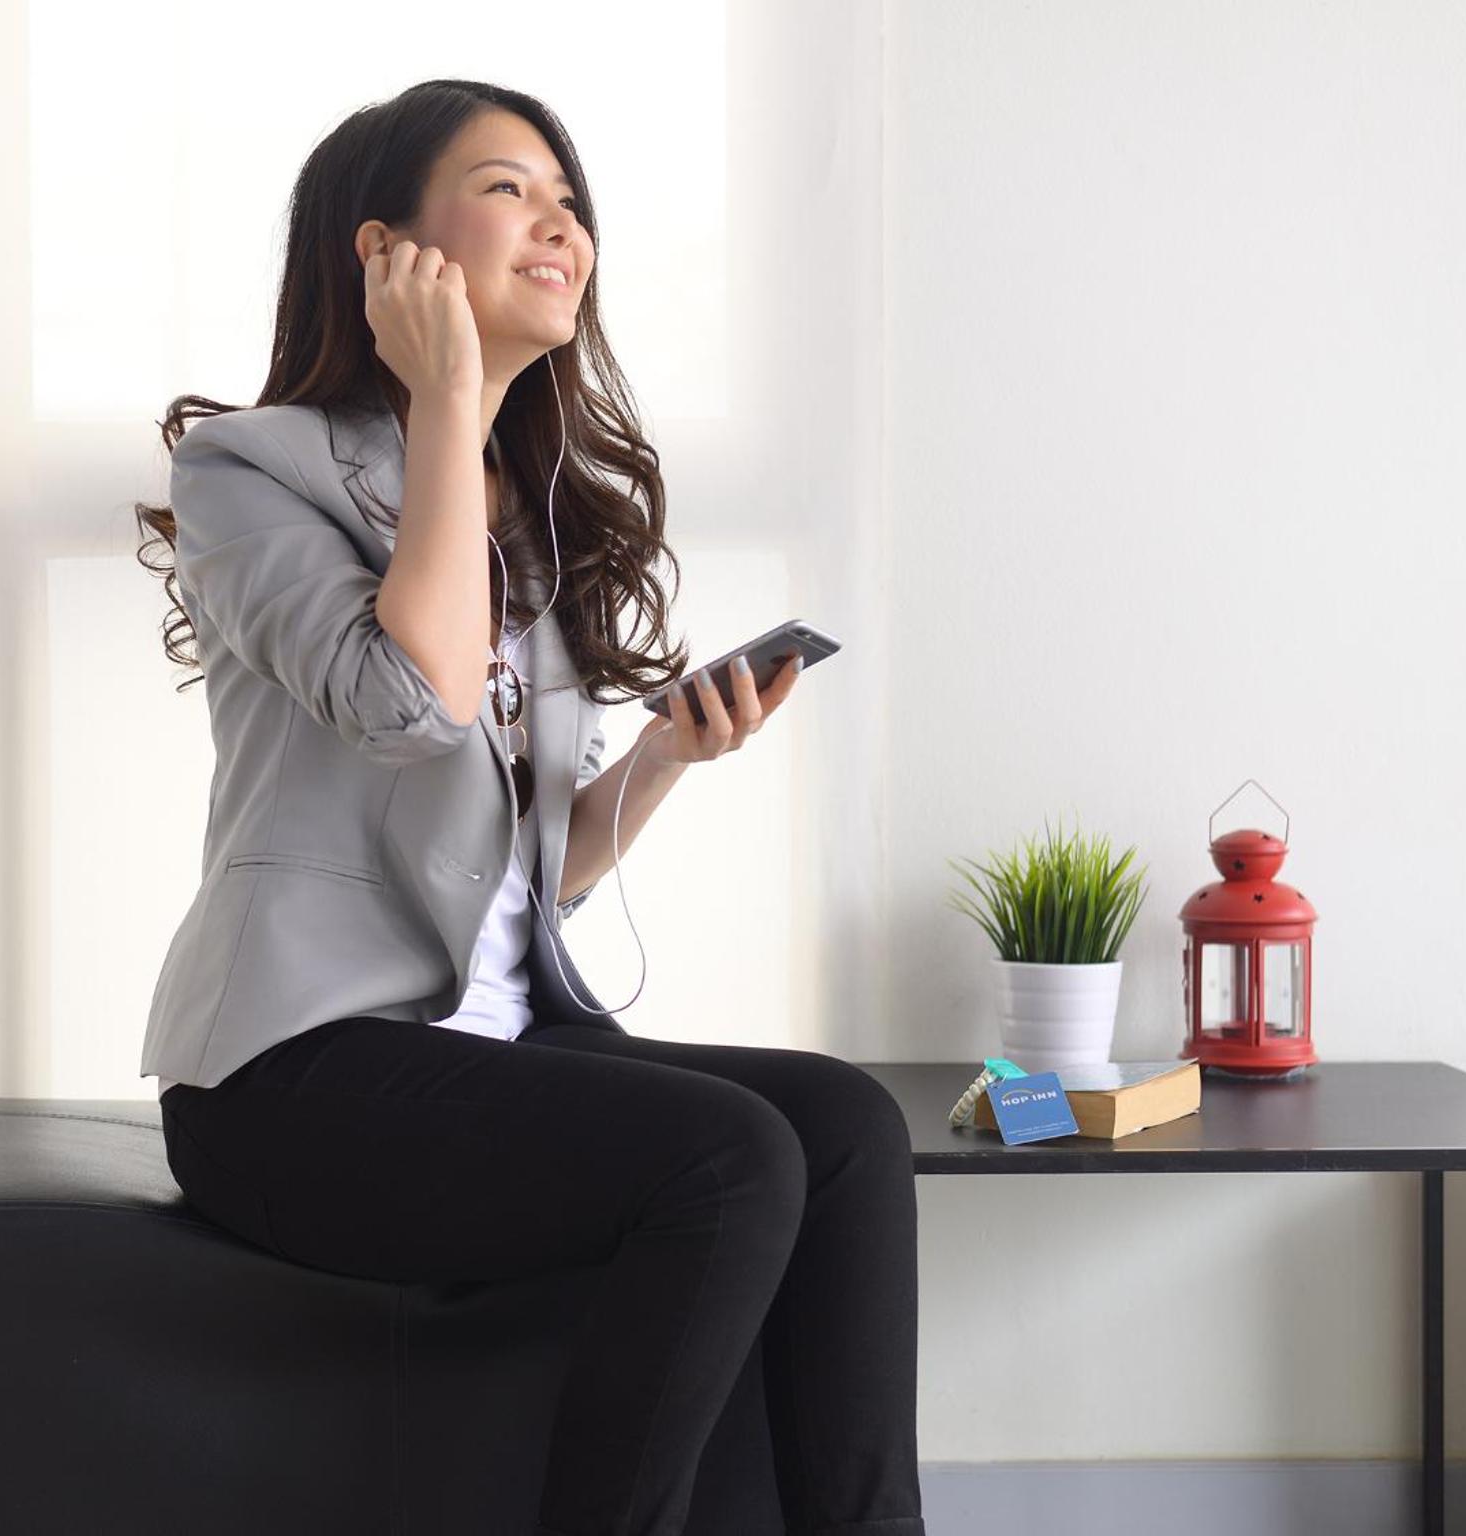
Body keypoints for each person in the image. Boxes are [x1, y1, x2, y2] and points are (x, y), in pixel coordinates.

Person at [133, 77, 925, 1536]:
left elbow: (528, 883)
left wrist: (664, 759)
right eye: (508, 189)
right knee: (730, 1158)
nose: (560, 224)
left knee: (847, 1125)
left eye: (569, 200)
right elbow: (407, 706)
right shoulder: (248, 471)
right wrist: (443, 397)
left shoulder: (521, 503)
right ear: (386, 252)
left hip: (488, 1044)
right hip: (292, 1078)